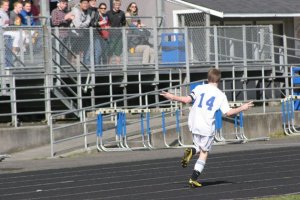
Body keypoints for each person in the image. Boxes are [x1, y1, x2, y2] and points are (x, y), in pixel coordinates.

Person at [160, 68, 254, 188]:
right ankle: (193, 178)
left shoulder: (199, 88)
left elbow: (186, 100)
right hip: (206, 124)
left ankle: (192, 151)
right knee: (204, 152)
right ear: (219, 80)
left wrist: (171, 96)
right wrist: (242, 107)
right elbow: (228, 113)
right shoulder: (220, 95)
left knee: (199, 146)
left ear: (208, 78)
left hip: (194, 122)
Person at [51, 0, 74, 65]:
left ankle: (63, 67)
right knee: (58, 51)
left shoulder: (66, 11)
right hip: (59, 35)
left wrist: (70, 19)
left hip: (66, 34)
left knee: (65, 52)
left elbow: (68, 22)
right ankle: (57, 67)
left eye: (66, 4)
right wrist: (65, 19)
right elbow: (54, 22)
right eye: (63, 3)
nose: (65, 5)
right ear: (59, 4)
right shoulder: (55, 11)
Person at [106, 0, 126, 65]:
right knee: (110, 52)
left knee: (118, 53)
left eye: (119, 5)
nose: (117, 6)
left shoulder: (122, 13)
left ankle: (119, 68)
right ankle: (108, 67)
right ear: (113, 5)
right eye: (116, 5)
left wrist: (124, 29)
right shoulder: (108, 13)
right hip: (110, 35)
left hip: (119, 35)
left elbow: (123, 23)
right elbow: (105, 22)